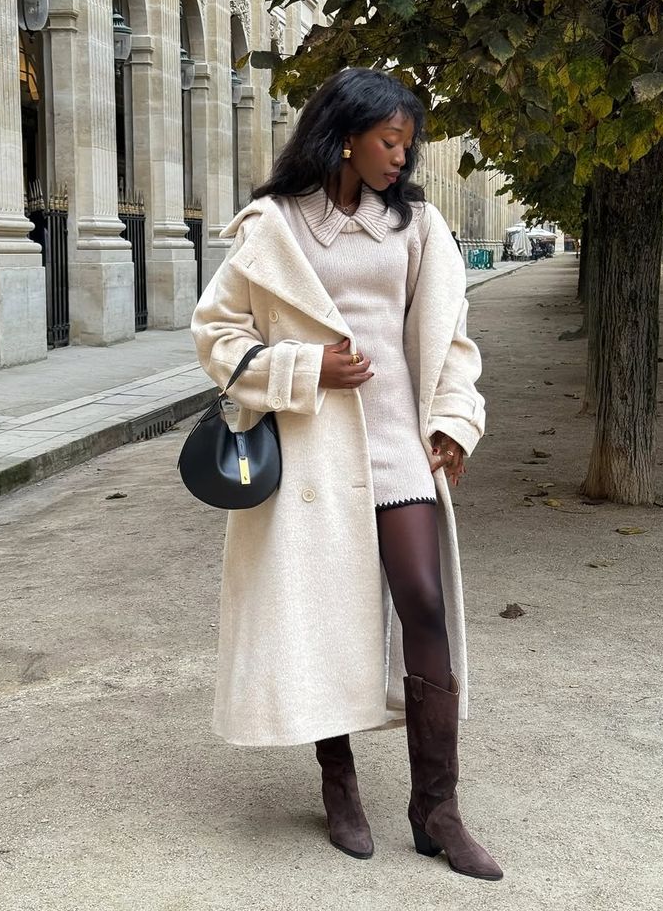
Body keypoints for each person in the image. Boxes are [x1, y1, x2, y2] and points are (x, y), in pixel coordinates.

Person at [191, 68, 502, 881]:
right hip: (310, 454)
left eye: (407, 143)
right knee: (322, 608)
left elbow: (452, 341)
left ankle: (437, 808)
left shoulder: (418, 228)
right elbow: (216, 337)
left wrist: (454, 424)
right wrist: (302, 369)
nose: (401, 157)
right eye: (388, 140)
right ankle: (339, 785)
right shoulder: (272, 227)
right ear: (344, 135)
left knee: (423, 601)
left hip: (399, 443)